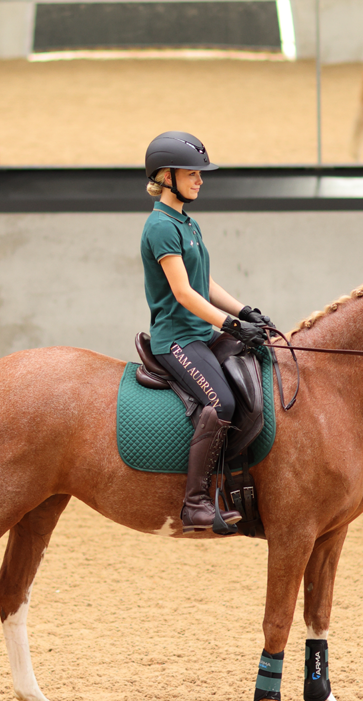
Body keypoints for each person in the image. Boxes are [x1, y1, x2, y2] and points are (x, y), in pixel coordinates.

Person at [140, 131, 273, 534]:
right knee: (221, 402)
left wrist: (245, 311)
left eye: (201, 174)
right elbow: (183, 293)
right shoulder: (160, 227)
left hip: (201, 332)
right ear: (167, 177)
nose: (200, 180)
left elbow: (204, 283)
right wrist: (230, 325)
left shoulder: (187, 223)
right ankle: (195, 503)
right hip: (176, 339)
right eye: (192, 173)